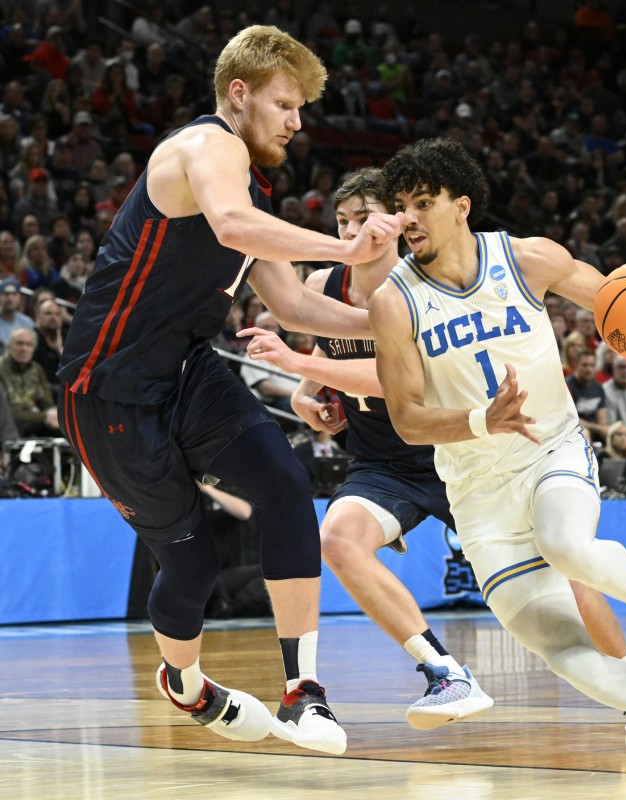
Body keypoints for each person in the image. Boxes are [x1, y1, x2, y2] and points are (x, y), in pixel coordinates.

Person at [55, 26, 404, 756]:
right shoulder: (206, 148)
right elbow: (233, 224)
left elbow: (299, 308)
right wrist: (344, 247)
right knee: (192, 563)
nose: (296, 122)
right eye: (285, 103)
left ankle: (304, 692)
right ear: (239, 94)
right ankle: (184, 685)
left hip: (186, 368)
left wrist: (393, 327)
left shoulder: (248, 179)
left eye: (302, 107)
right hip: (108, 389)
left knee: (284, 482)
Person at [371, 138, 626, 779]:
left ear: (461, 207)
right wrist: (479, 420)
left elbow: (623, 303)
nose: (406, 218)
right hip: (477, 497)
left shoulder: (527, 259)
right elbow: (407, 419)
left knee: (565, 543)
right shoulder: (394, 300)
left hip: (551, 450)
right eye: (400, 206)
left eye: (421, 203)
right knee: (571, 660)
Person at [241, 167, 626, 736]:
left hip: (464, 450)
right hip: (383, 461)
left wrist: (303, 368)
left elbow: (384, 379)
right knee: (339, 541)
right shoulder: (324, 286)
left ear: (396, 222)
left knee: (568, 571)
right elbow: (327, 350)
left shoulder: (414, 285)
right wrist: (303, 393)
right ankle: (444, 672)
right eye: (342, 221)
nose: (351, 230)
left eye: (363, 218)